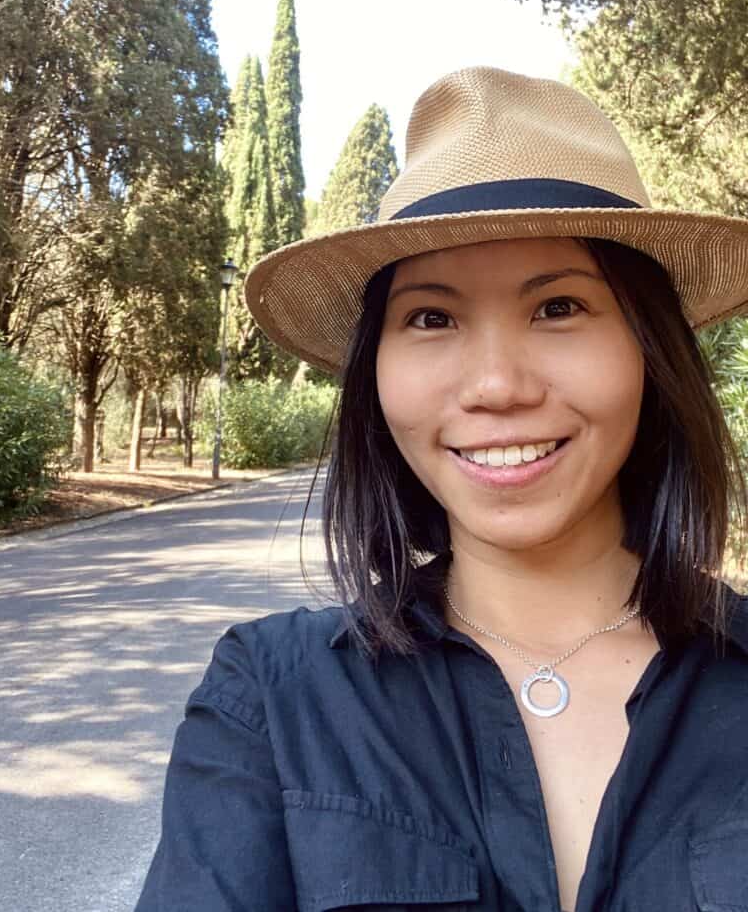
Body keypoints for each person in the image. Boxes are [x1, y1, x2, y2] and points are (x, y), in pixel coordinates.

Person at [134, 66, 748, 912]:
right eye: (431, 317)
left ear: (650, 347)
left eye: (560, 306)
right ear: (375, 376)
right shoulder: (272, 704)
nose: (496, 384)